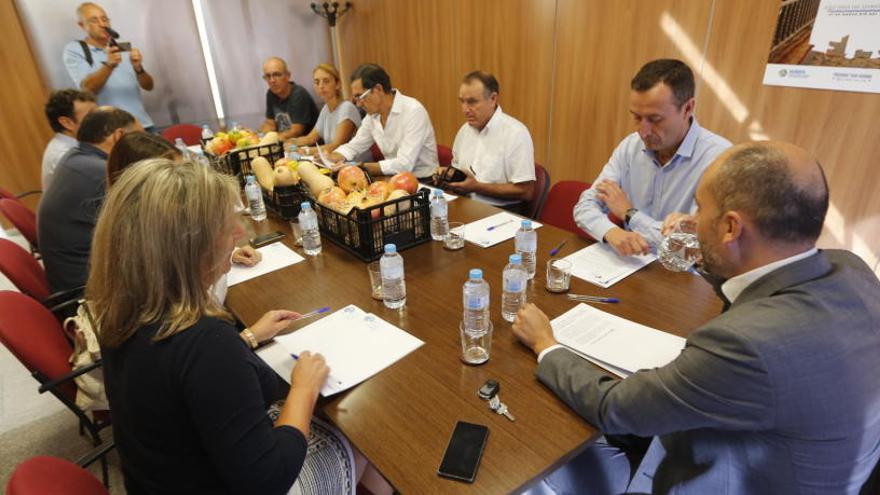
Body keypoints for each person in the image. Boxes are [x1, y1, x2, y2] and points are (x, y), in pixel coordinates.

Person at [514, 141, 880, 494]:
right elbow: (751, 292)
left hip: (729, 476)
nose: (692, 219)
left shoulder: (748, 345)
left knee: (535, 458)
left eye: (700, 209)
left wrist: (547, 344)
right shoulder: (850, 268)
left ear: (732, 228)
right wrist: (711, 250)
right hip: (822, 465)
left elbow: (617, 408)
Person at [87, 159, 393, 494]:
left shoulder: (125, 310)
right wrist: (303, 389)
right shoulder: (206, 343)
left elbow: (187, 383)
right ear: (189, 247)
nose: (239, 233)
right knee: (359, 431)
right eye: (224, 224)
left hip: (162, 478)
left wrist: (246, 338)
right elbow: (268, 478)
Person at [573, 59, 730, 256]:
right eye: (637, 117)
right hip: (630, 263)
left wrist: (629, 215)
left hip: (682, 278)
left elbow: (689, 248)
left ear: (688, 108)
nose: (643, 131)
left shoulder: (720, 160)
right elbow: (585, 206)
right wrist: (610, 231)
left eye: (654, 119)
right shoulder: (631, 146)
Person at [106, 130, 263, 302]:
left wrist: (225, 252)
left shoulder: (147, 228)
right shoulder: (146, 257)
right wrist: (251, 331)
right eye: (175, 177)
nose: (187, 182)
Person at [38, 106, 141, 293]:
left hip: (72, 277)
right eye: (140, 139)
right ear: (119, 136)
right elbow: (144, 234)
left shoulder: (75, 157)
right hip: (89, 291)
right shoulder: (101, 174)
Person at [434, 70, 535, 212]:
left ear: (493, 99)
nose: (465, 109)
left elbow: (526, 191)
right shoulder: (465, 130)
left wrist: (477, 187)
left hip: (500, 211)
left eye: (472, 102)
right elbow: (461, 174)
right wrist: (448, 176)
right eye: (462, 101)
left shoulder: (515, 133)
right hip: (464, 203)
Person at [328, 63, 439, 179]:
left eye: (360, 97)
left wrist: (358, 167)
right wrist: (333, 157)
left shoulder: (413, 111)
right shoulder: (372, 117)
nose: (359, 104)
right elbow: (354, 146)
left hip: (424, 182)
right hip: (393, 178)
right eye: (355, 99)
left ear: (378, 89)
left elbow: (404, 164)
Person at [63, 2, 154, 131]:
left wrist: (139, 69)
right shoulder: (75, 50)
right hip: (111, 132)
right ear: (82, 25)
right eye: (94, 20)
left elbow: (149, 86)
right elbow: (86, 90)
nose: (102, 24)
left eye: (104, 19)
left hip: (143, 125)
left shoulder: (121, 46)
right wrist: (109, 66)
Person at [291, 63, 370, 162]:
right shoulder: (325, 109)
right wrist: (292, 143)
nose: (321, 86)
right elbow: (311, 138)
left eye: (326, 81)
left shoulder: (347, 108)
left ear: (337, 84)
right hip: (335, 162)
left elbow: (336, 145)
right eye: (317, 82)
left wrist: (306, 150)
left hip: (357, 163)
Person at [41, 89, 97, 190]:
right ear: (67, 123)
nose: (101, 120)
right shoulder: (64, 155)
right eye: (91, 116)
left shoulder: (79, 144)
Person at [259, 57, 319, 140]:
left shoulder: (299, 94)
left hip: (306, 145)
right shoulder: (271, 93)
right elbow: (270, 123)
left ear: (288, 76)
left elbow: (297, 131)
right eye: (268, 76)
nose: (272, 80)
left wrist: (272, 139)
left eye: (277, 75)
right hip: (286, 144)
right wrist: (259, 135)